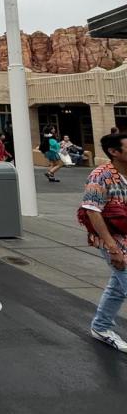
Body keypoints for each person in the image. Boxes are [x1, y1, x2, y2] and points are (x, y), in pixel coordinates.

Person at [78, 132, 127, 351]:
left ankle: (101, 327)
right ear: (114, 152)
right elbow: (92, 210)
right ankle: (101, 327)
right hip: (113, 239)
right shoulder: (100, 175)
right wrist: (112, 248)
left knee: (118, 286)